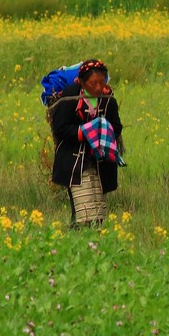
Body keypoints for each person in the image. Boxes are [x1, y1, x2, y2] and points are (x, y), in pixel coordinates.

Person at [50, 59, 124, 227]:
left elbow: (117, 126)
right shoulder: (69, 99)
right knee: (83, 208)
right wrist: (86, 132)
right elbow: (60, 129)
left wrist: (104, 131)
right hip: (74, 161)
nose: (98, 87)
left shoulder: (108, 100)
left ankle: (92, 241)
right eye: (93, 83)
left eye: (102, 82)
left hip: (100, 161)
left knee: (98, 207)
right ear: (82, 82)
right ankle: (78, 238)